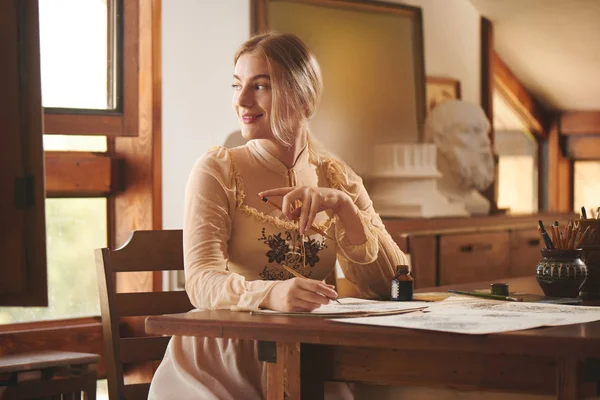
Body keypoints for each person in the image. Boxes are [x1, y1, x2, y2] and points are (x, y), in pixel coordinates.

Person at [148, 32, 408, 400]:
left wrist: (343, 207)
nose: (241, 100)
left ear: (302, 96)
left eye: (260, 86)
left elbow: (395, 284)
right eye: (237, 85)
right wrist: (271, 293)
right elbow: (201, 280)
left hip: (315, 356)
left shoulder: (336, 177)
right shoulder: (217, 170)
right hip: (223, 363)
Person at [425, 100, 496, 215]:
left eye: (485, 132)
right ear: (439, 139)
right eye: (471, 131)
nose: (486, 141)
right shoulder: (429, 201)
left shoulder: (479, 202)